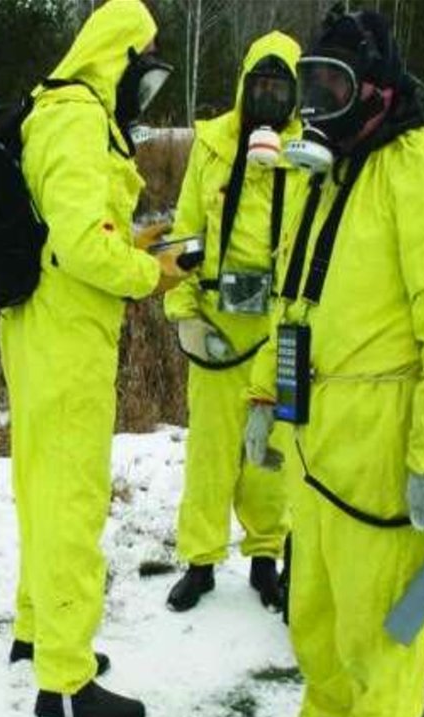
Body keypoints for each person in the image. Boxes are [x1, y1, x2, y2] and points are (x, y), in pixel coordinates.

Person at [243, 7, 424, 717]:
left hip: (386, 453)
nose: (318, 104)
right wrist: (263, 395)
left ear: (378, 90)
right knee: (314, 614)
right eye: (309, 86)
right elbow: (295, 297)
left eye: (334, 85)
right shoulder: (330, 168)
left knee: (382, 636)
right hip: (318, 441)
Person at [0, 0, 189, 717]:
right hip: (67, 333)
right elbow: (81, 245)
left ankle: (36, 632)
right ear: (120, 55)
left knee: (38, 483)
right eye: (142, 67)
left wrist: (139, 243)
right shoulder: (79, 119)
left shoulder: (51, 111)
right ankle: (66, 679)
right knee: (73, 498)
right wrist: (155, 273)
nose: (143, 89)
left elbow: (70, 229)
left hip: (37, 322)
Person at [163, 31, 305, 613]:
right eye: (260, 86)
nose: (268, 98)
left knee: (271, 455)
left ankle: (266, 558)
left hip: (277, 329)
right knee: (210, 451)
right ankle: (200, 562)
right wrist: (183, 310)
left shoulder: (309, 153)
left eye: (280, 88)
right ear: (244, 86)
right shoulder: (213, 145)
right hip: (218, 328)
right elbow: (185, 226)